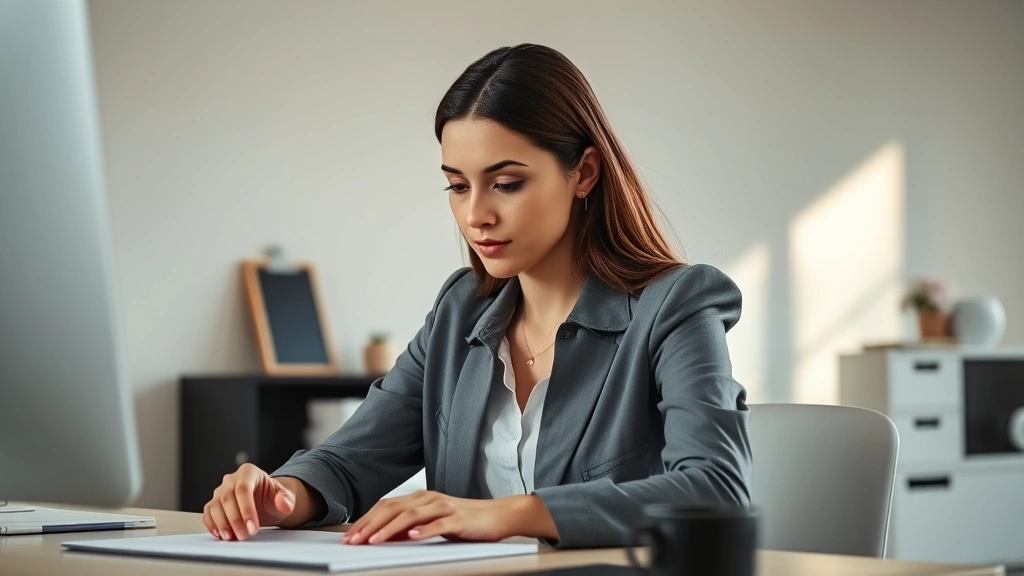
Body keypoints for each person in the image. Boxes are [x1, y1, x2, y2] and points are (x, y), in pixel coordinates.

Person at [203, 43, 751, 549]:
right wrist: (280, 496)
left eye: (507, 183)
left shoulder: (675, 305)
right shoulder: (460, 310)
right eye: (458, 186)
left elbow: (714, 490)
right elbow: (349, 461)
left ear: (583, 172)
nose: (475, 215)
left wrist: (507, 514)